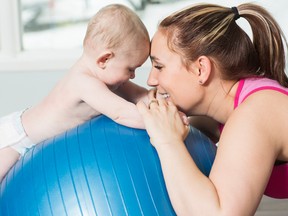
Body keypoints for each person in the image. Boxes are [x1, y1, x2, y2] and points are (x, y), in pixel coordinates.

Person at [137, 3, 288, 215]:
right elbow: (184, 130)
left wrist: (167, 142)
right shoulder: (231, 108)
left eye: (159, 66)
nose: (151, 80)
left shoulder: (254, 114)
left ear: (201, 69)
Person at [0, 4, 150, 181]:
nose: (133, 76)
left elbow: (140, 95)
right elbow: (122, 113)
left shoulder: (109, 77)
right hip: (16, 139)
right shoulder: (84, 82)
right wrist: (159, 122)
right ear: (104, 59)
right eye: (131, 68)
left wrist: (165, 103)